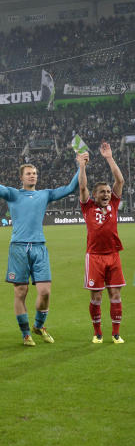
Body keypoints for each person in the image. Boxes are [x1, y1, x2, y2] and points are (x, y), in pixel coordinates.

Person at [0, 148, 84, 345]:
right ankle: (25, 334)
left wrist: (80, 166)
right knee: (20, 292)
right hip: (19, 248)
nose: (33, 176)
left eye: (35, 173)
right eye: (29, 173)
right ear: (21, 177)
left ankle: (39, 325)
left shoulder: (45, 194)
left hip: (39, 247)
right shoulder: (13, 194)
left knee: (45, 292)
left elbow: (71, 187)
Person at [78, 142, 125, 344]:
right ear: (94, 195)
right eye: (102, 192)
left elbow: (120, 180)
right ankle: (97, 333)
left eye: (108, 192)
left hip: (113, 255)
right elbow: (82, 186)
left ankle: (115, 333)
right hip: (95, 257)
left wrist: (108, 157)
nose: (107, 194)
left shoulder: (114, 203)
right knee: (96, 297)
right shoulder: (87, 207)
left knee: (115, 294)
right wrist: (82, 166)